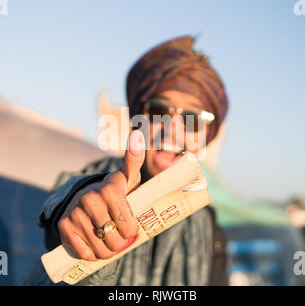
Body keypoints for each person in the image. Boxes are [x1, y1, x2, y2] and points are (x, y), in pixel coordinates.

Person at [23, 35, 229, 286]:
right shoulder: (95, 182)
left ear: (206, 135)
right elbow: (72, 206)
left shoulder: (207, 225)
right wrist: (81, 208)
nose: (172, 129)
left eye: (193, 118)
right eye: (159, 111)